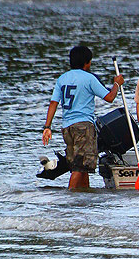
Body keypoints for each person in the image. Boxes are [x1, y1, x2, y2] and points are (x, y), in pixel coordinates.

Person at [42, 44, 124, 189]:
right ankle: (71, 196)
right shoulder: (89, 78)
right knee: (80, 167)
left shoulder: (62, 79)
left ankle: (83, 196)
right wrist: (117, 84)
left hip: (67, 128)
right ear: (87, 63)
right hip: (83, 126)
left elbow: (54, 103)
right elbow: (110, 97)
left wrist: (47, 127)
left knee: (80, 165)